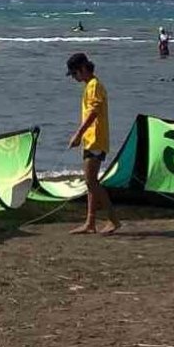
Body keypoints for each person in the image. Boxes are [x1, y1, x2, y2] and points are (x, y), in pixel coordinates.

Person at [66, 52, 120, 235]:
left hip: (96, 139)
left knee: (91, 181)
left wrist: (78, 134)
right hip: (91, 140)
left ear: (82, 69)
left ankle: (113, 220)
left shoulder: (94, 85)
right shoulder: (89, 85)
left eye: (74, 74)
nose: (74, 78)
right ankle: (90, 222)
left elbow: (93, 113)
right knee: (91, 182)